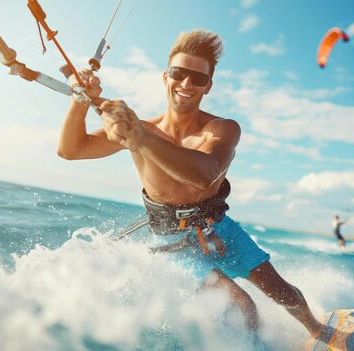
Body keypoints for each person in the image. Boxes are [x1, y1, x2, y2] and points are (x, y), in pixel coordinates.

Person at [58, 29, 323, 338]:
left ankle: (320, 332)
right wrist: (79, 99)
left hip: (220, 229)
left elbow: (205, 173)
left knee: (284, 293)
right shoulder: (139, 129)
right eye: (178, 73)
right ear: (165, 77)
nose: (186, 84)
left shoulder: (222, 129)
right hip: (172, 242)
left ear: (208, 86)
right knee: (242, 303)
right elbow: (70, 150)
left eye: (197, 78)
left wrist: (141, 140)